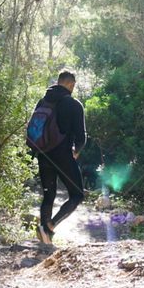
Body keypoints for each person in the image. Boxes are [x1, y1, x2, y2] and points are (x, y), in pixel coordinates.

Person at [34, 70, 87, 244]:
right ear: (71, 84)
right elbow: (81, 137)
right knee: (77, 194)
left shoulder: (43, 101)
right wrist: (76, 152)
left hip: (43, 155)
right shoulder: (74, 104)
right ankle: (50, 226)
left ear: (58, 82)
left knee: (48, 195)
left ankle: (44, 236)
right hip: (63, 154)